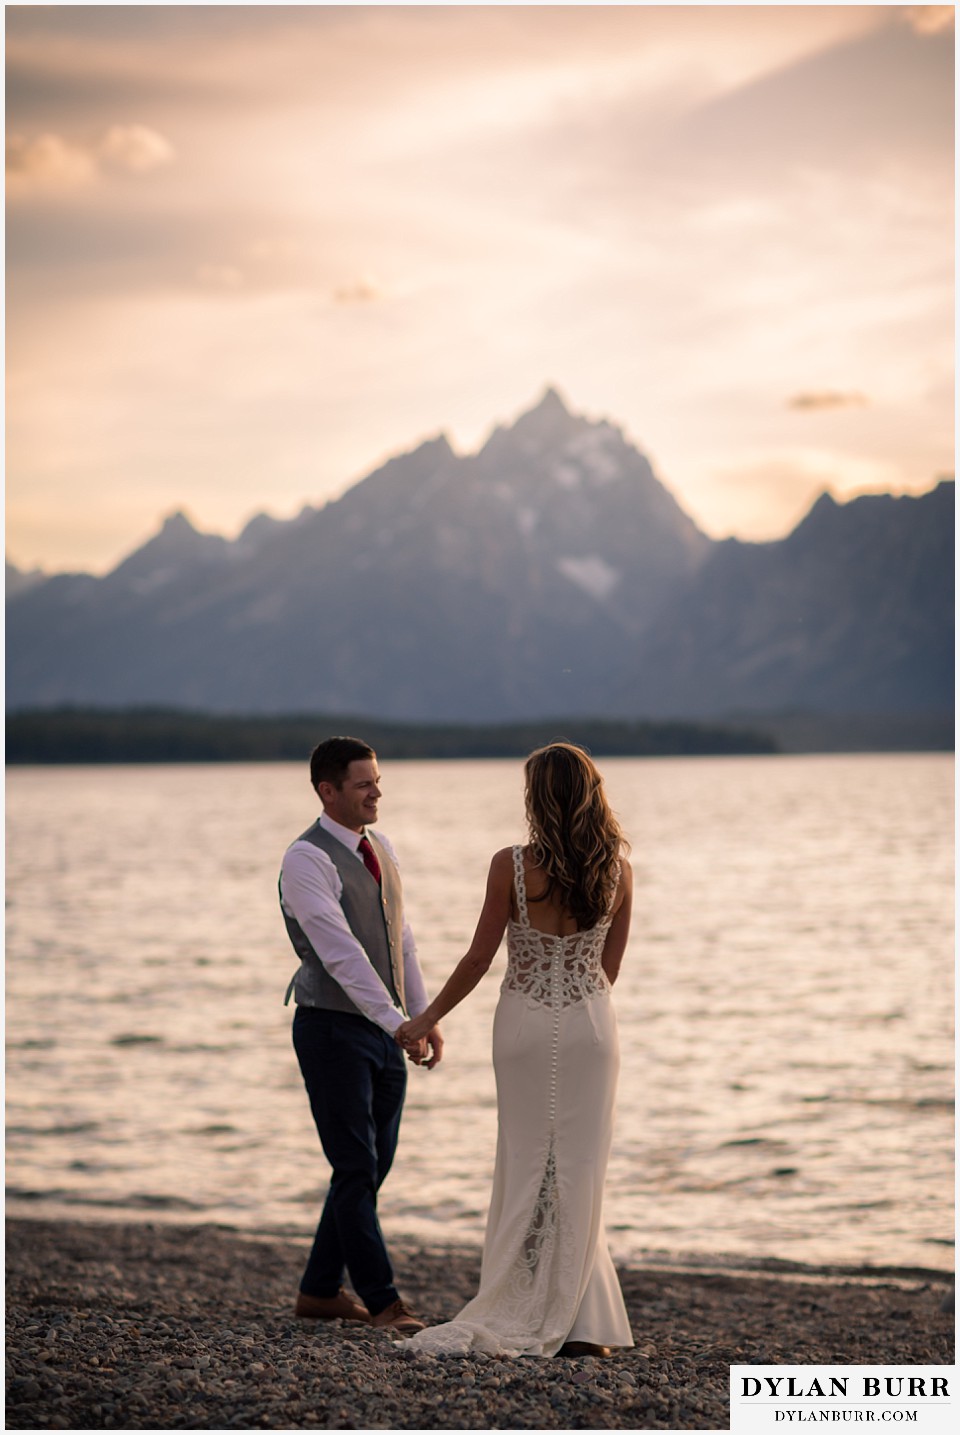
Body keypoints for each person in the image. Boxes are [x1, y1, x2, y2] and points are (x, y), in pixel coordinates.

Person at [394, 741, 634, 1358]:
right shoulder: (619, 872)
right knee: (580, 1169)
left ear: (537, 797)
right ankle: (583, 1324)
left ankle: (520, 1301)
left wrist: (426, 1017)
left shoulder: (511, 864)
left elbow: (479, 958)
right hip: (590, 1028)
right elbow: (607, 971)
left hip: (524, 1027)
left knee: (527, 1161)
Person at [279, 735, 443, 1336]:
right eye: (363, 783)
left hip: (384, 1028)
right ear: (328, 790)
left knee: (371, 1167)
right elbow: (341, 954)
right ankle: (384, 1303)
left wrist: (422, 1017)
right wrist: (397, 1021)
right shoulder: (305, 859)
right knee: (354, 1166)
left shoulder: (384, 848)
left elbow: (401, 939)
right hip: (330, 1029)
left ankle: (320, 1291)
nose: (378, 791)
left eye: (378, 779)